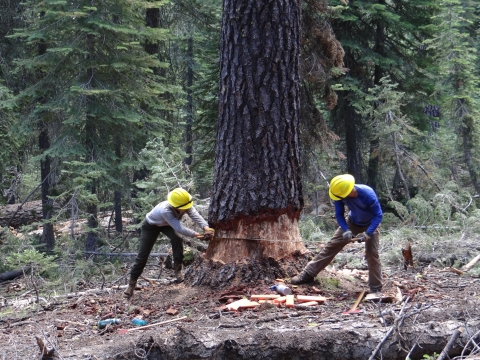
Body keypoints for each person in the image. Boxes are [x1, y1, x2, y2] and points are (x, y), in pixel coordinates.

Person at [290, 174, 383, 293]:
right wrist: (346, 229)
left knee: (372, 254)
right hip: (352, 222)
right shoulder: (339, 194)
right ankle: (308, 274)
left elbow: (378, 215)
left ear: (347, 191)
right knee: (330, 247)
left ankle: (376, 289)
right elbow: (339, 214)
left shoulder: (367, 194)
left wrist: (369, 233)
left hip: (371, 224)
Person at [124, 188, 214, 298]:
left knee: (177, 239)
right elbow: (179, 227)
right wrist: (197, 235)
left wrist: (206, 228)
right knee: (143, 255)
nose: (185, 210)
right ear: (175, 205)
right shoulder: (165, 210)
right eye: (183, 209)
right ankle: (131, 284)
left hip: (166, 225)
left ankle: (178, 270)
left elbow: (196, 216)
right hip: (150, 226)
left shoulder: (185, 203)